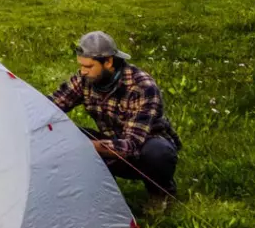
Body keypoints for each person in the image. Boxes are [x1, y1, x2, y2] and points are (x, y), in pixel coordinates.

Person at [50, 30, 180, 197]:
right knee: (65, 134)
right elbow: (52, 106)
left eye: (88, 66)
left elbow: (132, 145)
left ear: (108, 62)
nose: (83, 71)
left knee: (157, 152)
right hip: (110, 143)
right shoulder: (85, 79)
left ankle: (161, 194)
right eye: (81, 65)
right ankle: (104, 195)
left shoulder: (141, 87)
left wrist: (86, 147)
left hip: (143, 148)